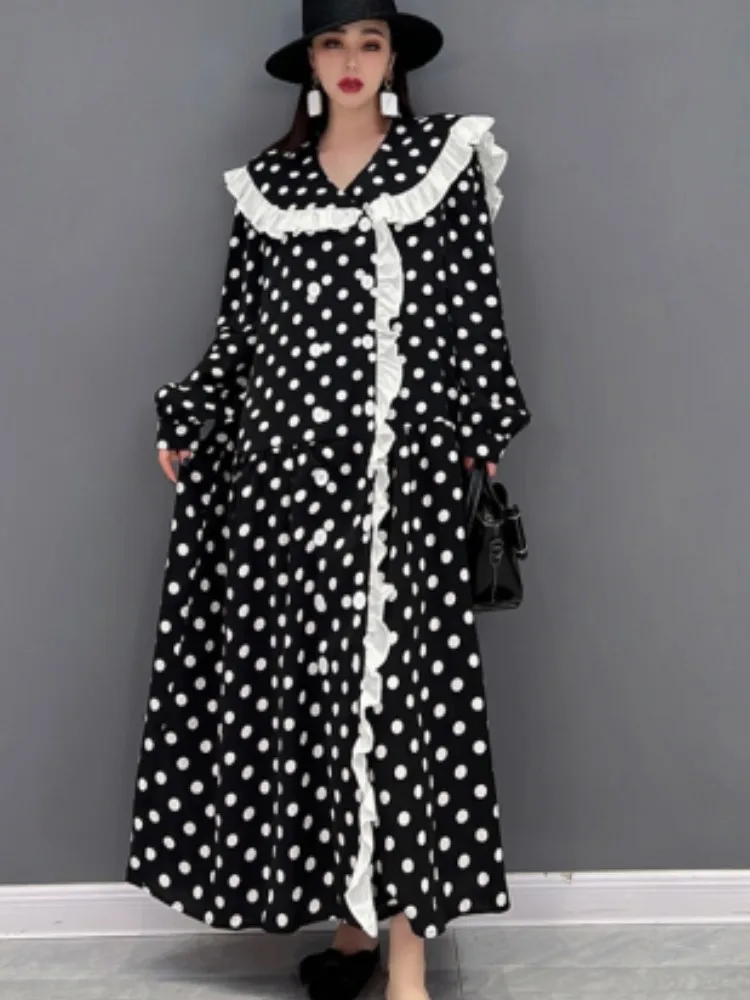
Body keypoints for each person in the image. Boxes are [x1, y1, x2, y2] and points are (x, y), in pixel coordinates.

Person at [125, 1, 532, 998]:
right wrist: (191, 417)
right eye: (333, 43)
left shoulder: (443, 158)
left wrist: (479, 437)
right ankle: (352, 930)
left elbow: (474, 310)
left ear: (394, 58)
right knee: (314, 693)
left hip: (402, 472)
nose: (352, 61)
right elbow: (242, 329)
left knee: (399, 699)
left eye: (370, 43)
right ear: (308, 60)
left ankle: (408, 963)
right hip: (283, 478)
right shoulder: (267, 185)